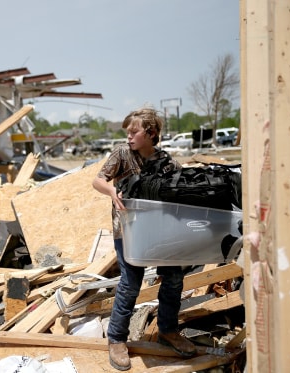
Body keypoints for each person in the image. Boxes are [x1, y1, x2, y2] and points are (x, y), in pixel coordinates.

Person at [92, 106, 196, 371]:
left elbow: (182, 187)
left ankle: (168, 331)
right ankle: (116, 339)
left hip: (160, 230)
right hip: (128, 231)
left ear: (150, 133)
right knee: (130, 282)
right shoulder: (122, 154)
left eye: (133, 131)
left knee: (173, 279)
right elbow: (98, 180)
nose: (128, 136)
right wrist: (113, 190)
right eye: (127, 132)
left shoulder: (166, 161)